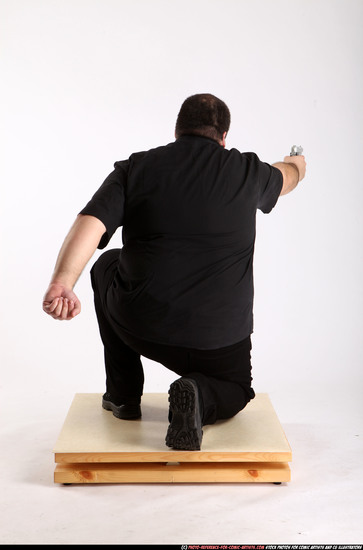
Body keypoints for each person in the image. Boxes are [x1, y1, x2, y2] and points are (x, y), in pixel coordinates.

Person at [43, 93, 306, 451]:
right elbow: (288, 176)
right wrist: (296, 163)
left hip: (142, 327)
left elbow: (92, 222)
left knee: (107, 263)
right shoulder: (249, 171)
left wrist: (63, 282)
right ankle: (199, 393)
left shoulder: (137, 167)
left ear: (178, 130)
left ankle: (122, 396)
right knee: (237, 390)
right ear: (224, 136)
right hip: (219, 343)